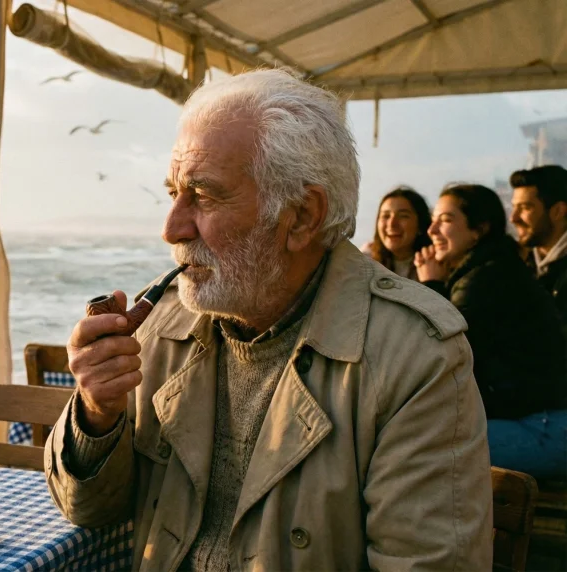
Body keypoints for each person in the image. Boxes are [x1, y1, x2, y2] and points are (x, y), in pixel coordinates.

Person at [45, 69, 492, 571]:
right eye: (174, 192)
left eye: (205, 195)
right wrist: (97, 413)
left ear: (301, 217)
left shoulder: (416, 355)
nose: (171, 227)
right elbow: (88, 511)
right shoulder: (161, 326)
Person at [415, 183, 567, 479]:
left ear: (479, 230)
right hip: (532, 421)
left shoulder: (486, 279)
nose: (431, 229)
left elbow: (439, 353)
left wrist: (431, 287)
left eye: (446, 220)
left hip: (545, 427)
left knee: (418, 450)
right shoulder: (485, 269)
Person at [510, 165, 567, 322]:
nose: (513, 218)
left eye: (525, 208)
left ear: (558, 211)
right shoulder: (517, 264)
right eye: (514, 207)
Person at [366, 186, 431, 279]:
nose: (392, 224)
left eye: (403, 216)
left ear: (420, 224)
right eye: (386, 216)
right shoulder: (364, 264)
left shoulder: (436, 267)